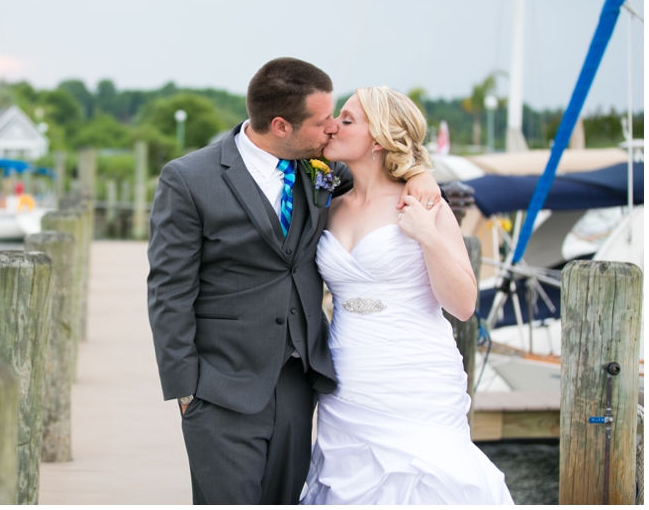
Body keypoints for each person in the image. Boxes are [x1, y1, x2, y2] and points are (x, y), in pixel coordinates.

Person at [146, 58, 442, 505]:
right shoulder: (189, 179)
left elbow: (377, 171)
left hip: (298, 383)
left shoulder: (320, 167)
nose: (333, 131)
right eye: (324, 122)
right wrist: (185, 388)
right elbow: (169, 290)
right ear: (281, 125)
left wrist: (420, 172)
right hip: (221, 384)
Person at [301, 87, 514, 505]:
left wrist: (427, 235)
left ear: (378, 138)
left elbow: (464, 305)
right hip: (347, 375)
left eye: (347, 119)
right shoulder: (328, 203)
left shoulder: (423, 203)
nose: (333, 126)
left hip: (413, 374)